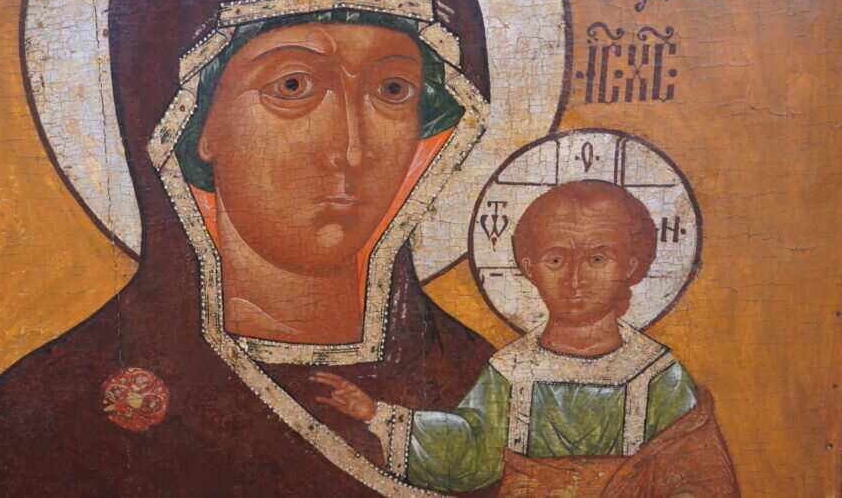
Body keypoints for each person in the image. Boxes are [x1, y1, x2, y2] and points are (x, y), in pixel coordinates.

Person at [0, 0, 505, 496]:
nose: (349, 148)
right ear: (192, 120)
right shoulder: (46, 419)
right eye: (293, 86)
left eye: (392, 89)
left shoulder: (485, 390)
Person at [314, 180, 740, 496]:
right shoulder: (512, 370)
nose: (575, 279)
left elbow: (696, 478)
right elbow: (470, 451)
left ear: (631, 266)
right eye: (556, 259)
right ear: (529, 267)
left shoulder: (656, 375)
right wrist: (376, 414)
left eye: (597, 258)